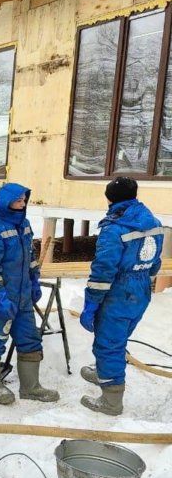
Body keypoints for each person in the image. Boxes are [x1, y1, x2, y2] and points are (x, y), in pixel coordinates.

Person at [79, 176, 163, 416]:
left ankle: (111, 401)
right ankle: (104, 373)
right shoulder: (153, 221)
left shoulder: (114, 229)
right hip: (141, 290)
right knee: (118, 338)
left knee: (108, 345)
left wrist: (91, 303)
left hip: (118, 292)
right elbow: (155, 261)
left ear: (109, 199)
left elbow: (103, 270)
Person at [0, 182, 59, 405]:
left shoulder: (25, 225)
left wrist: (34, 281)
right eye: (18, 200)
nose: (23, 204)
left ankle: (31, 387)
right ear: (6, 202)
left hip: (23, 298)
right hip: (0, 300)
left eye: (24, 200)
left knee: (30, 340)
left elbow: (30, 256)